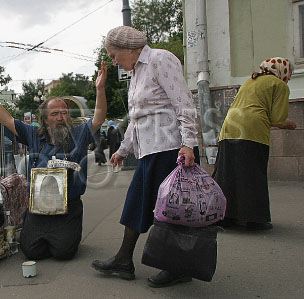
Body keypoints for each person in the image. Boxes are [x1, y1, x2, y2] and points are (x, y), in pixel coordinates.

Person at [91, 26, 200, 288]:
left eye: (114, 55)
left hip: (168, 147)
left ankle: (178, 268)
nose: (114, 61)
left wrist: (188, 144)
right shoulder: (137, 72)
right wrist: (122, 150)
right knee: (136, 204)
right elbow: (137, 119)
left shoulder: (159, 59)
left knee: (169, 210)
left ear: (129, 49)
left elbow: (183, 102)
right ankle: (124, 260)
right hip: (149, 150)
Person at [0, 61, 107, 260]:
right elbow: (6, 120)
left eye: (64, 113)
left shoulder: (78, 134)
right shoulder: (33, 134)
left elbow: (99, 117)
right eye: (55, 114)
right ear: (45, 119)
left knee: (63, 253)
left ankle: (65, 236)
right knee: (31, 252)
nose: (61, 117)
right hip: (38, 208)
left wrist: (100, 88)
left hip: (68, 208)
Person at [213, 57, 296, 231]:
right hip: (252, 131)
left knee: (228, 174)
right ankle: (248, 220)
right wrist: (290, 124)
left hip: (229, 128)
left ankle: (224, 218)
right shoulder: (279, 85)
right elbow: (277, 118)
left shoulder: (251, 80)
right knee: (251, 175)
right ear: (284, 71)